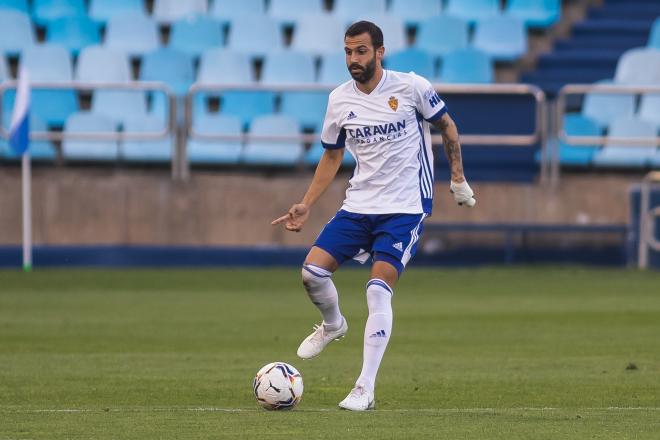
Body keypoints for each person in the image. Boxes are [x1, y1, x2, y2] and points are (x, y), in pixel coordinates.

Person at [272, 20, 475, 411]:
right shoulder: (339, 100)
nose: (353, 59)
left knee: (377, 287)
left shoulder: (411, 86)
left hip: (404, 207)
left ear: (380, 51)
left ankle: (364, 387)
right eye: (347, 52)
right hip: (359, 204)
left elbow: (447, 126)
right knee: (311, 274)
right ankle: (334, 325)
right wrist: (307, 203)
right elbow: (333, 155)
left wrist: (459, 178)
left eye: (360, 51)